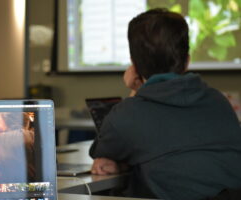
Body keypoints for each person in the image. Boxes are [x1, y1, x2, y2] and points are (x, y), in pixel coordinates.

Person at [89, 8, 241, 200]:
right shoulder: (218, 101)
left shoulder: (128, 114)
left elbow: (102, 151)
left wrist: (135, 90)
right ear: (187, 61)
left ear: (134, 66)